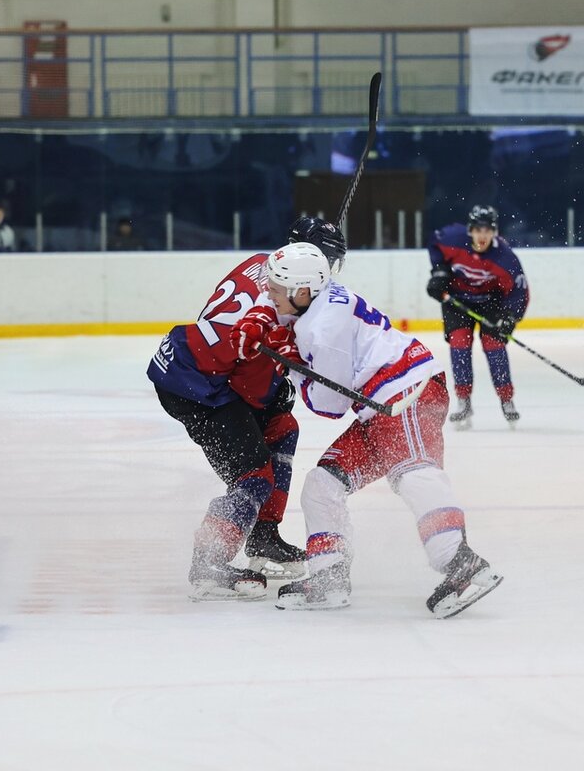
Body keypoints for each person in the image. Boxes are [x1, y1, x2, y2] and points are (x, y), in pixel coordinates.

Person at [243, 242, 502, 618]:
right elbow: (281, 308)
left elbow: (330, 405)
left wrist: (289, 364)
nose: (269, 294)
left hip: (408, 393)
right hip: (377, 407)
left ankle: (461, 563)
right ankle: (328, 576)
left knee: (413, 472)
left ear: (301, 292)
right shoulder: (313, 298)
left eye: (276, 289)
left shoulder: (322, 328)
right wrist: (264, 322)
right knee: (322, 484)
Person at [146, 217, 348, 601]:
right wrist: (274, 386)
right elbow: (249, 385)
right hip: (196, 385)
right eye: (327, 261)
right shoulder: (284, 308)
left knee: (282, 428)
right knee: (254, 473)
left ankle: (263, 535)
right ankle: (208, 561)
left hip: (197, 364)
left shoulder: (262, 263)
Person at [425, 205, 529, 430]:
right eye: (478, 230)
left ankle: (506, 398)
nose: (482, 236)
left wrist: (511, 318)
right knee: (459, 343)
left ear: (495, 232)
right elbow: (434, 243)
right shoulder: (453, 238)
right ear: (470, 230)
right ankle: (463, 400)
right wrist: (440, 272)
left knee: (494, 345)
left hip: (491, 302)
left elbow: (519, 291)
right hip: (457, 301)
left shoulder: (505, 257)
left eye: (488, 230)